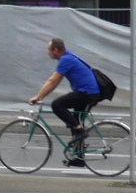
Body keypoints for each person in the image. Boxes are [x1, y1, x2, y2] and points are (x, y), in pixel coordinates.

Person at [29, 37, 102, 167]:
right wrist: (41, 96)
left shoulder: (66, 59)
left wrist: (38, 97)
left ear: (56, 50)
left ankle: (79, 132)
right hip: (89, 92)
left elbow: (53, 80)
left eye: (49, 50)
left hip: (87, 93)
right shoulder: (69, 56)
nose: (48, 53)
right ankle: (78, 158)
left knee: (57, 105)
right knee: (75, 120)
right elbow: (55, 82)